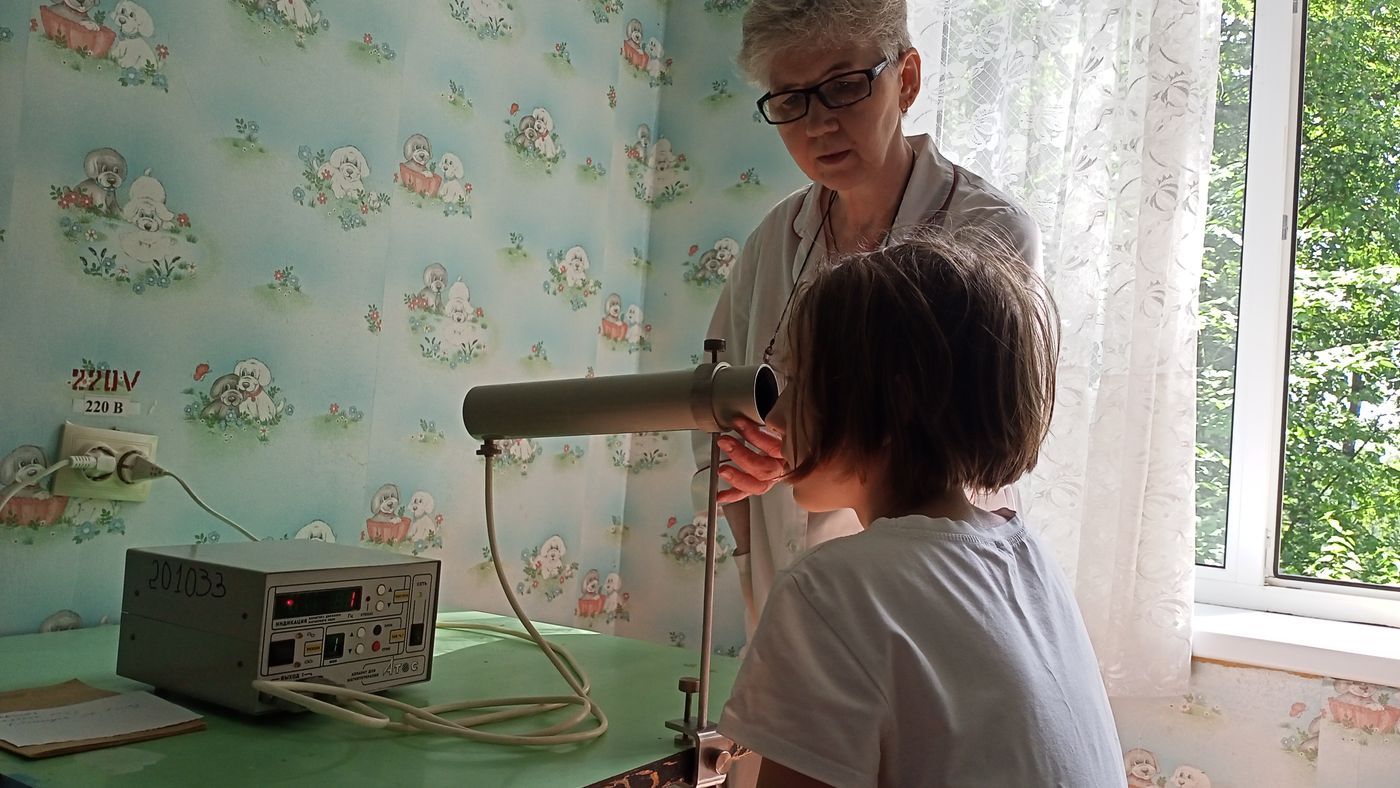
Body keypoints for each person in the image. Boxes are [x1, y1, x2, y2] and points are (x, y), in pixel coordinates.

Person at [717, 232, 1122, 787]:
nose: (777, 414)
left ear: (895, 400)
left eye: (799, 382)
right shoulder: (1029, 557)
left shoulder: (830, 590)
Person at [695, 0, 1042, 633]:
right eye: (791, 99)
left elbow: (973, 438)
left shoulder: (985, 232)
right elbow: (719, 402)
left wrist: (805, 445)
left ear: (906, 79)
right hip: (787, 578)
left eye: (844, 86)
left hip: (927, 587)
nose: (818, 124)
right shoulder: (773, 242)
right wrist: (742, 456)